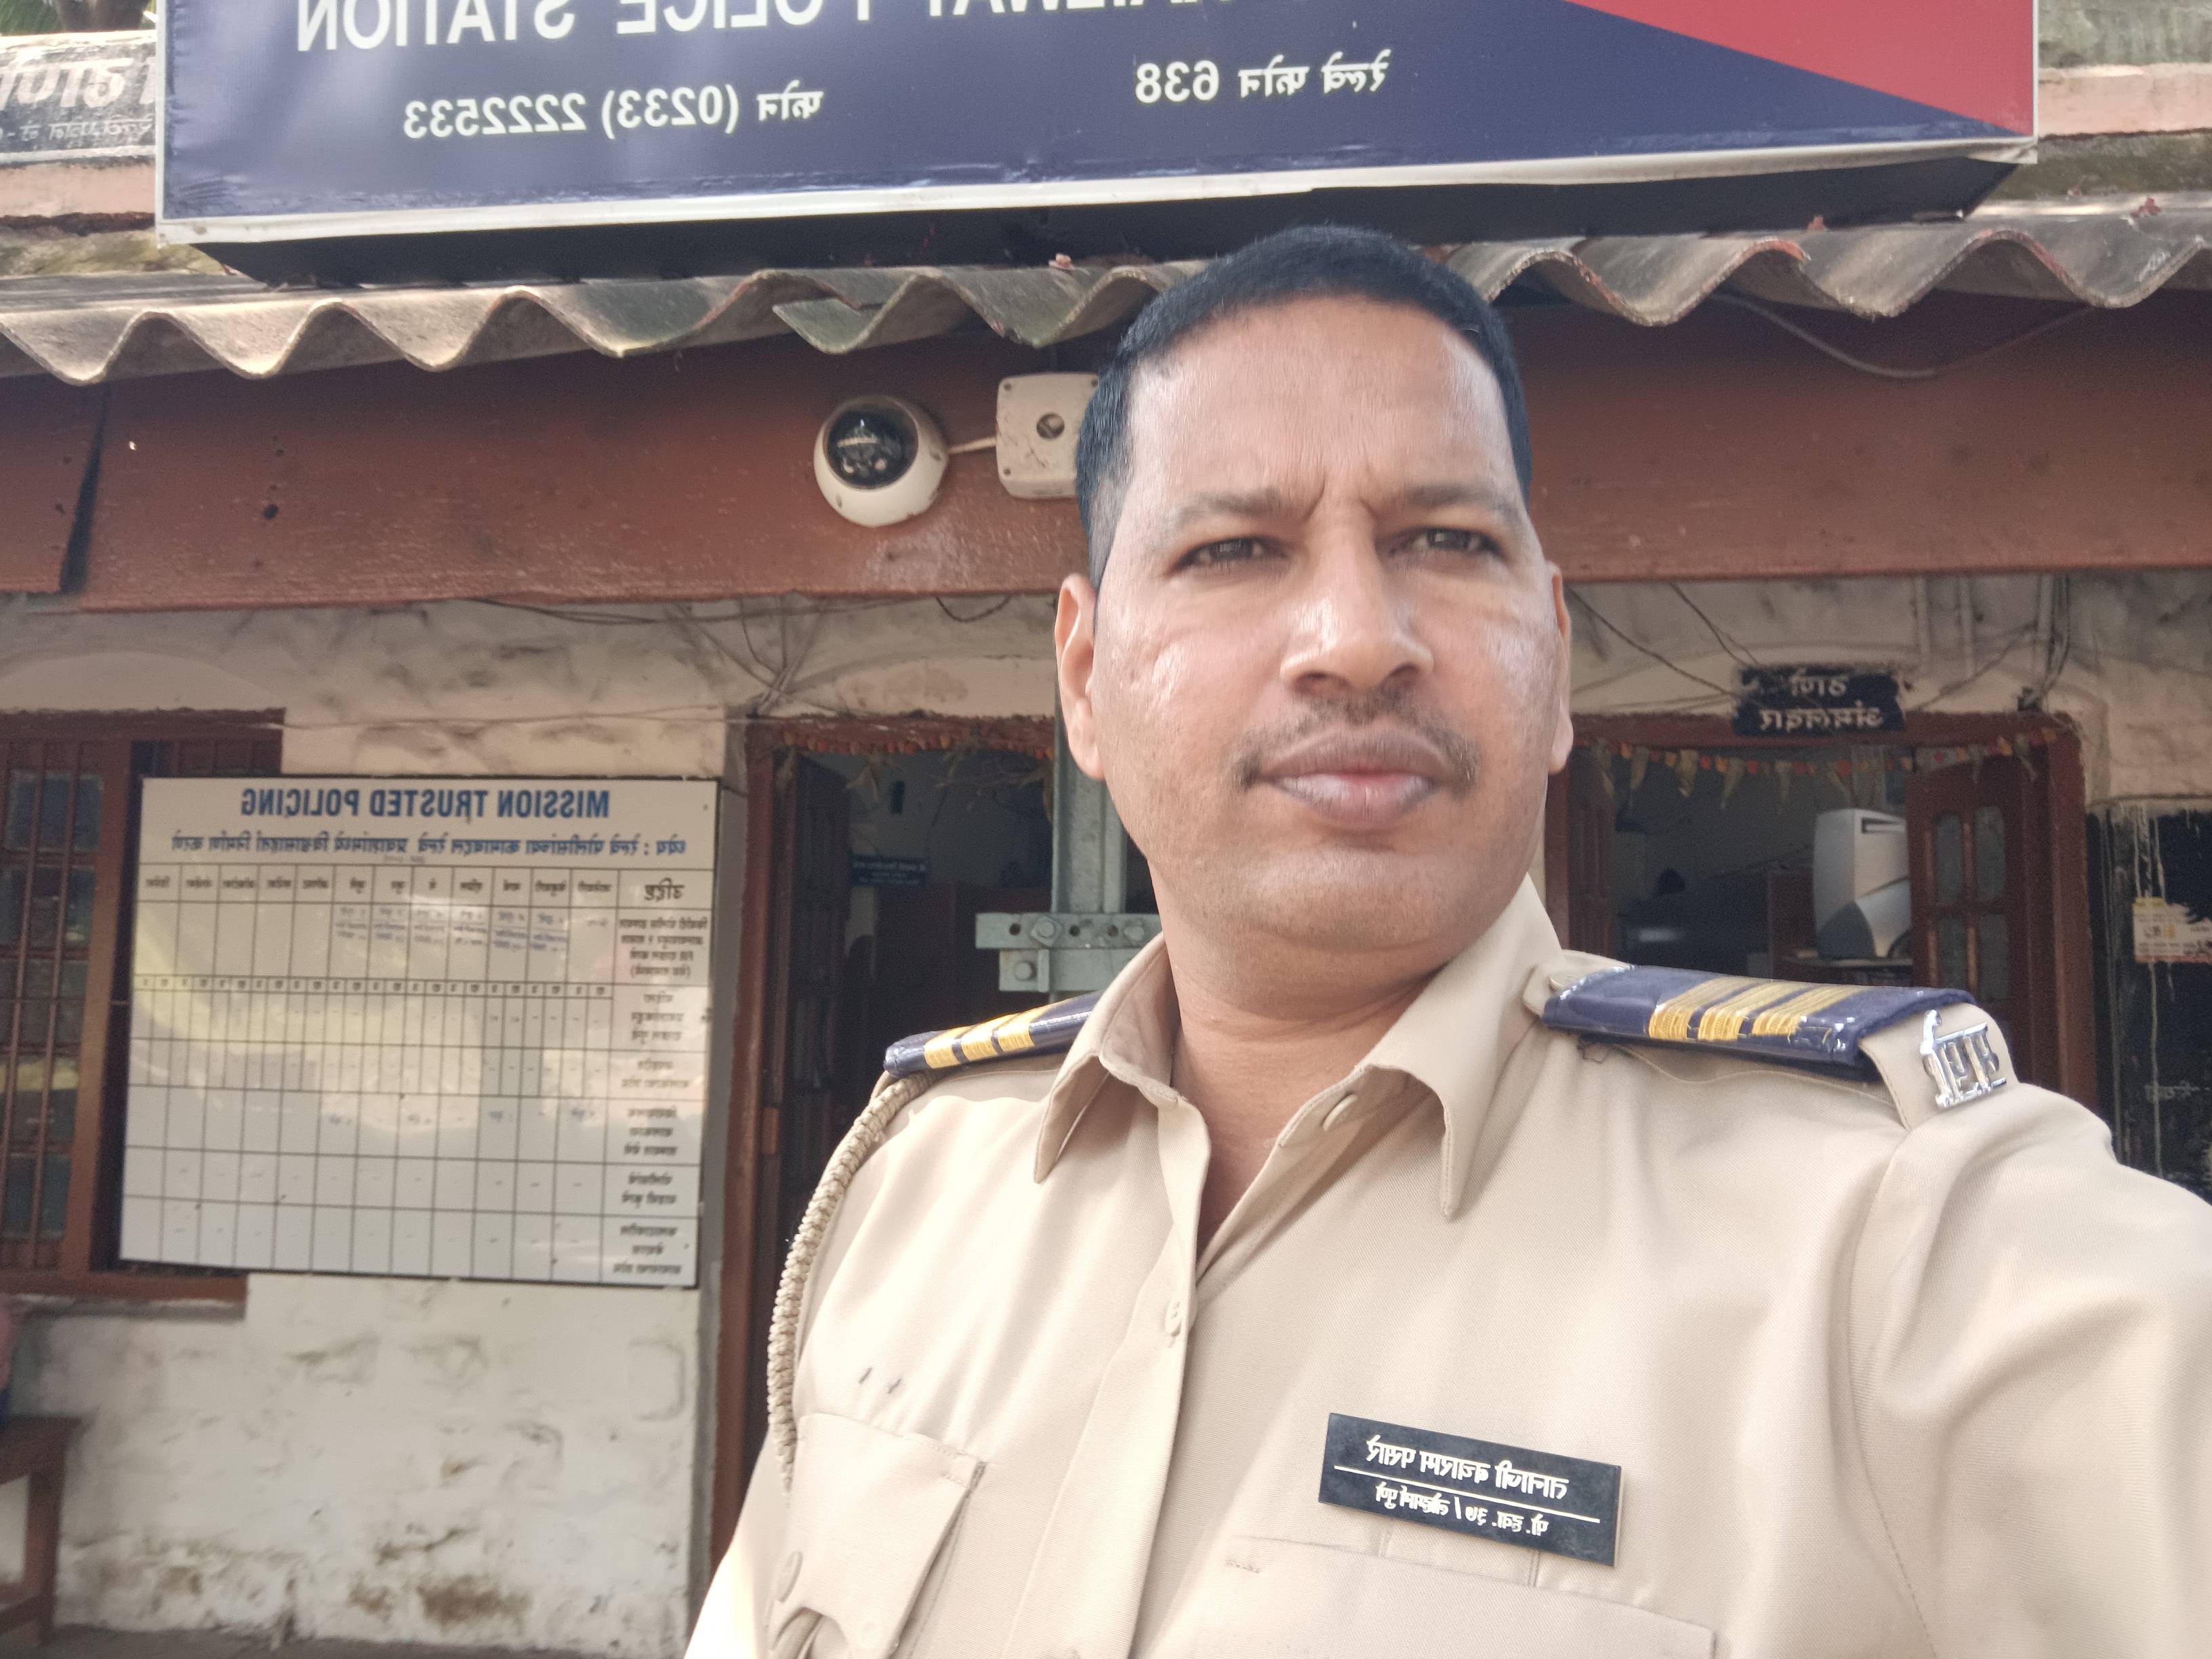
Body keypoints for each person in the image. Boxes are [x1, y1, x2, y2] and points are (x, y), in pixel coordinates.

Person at [689, 226, 2212, 1658]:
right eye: (1235, 549)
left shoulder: (1907, 1253)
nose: (1358, 638)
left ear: (1553, 659)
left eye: (1446, 538)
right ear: (1085, 680)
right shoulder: (912, 1193)